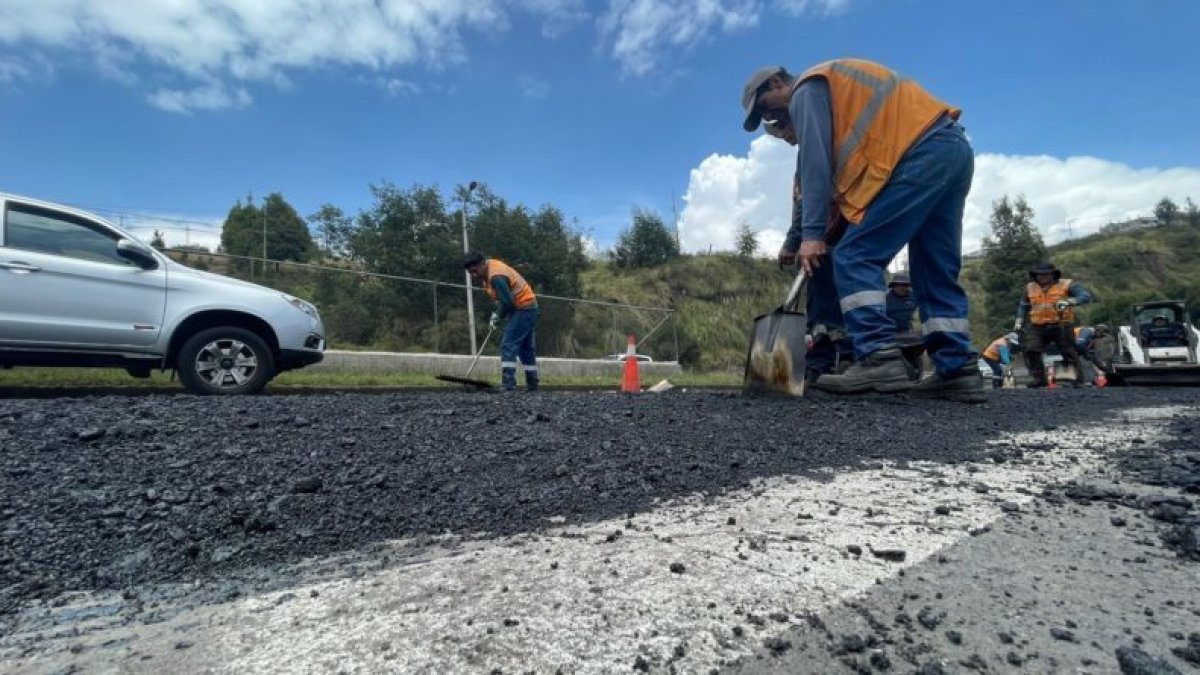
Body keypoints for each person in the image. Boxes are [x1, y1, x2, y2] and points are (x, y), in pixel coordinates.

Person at [741, 58, 983, 402]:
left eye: (766, 108)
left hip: (917, 153)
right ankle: (956, 369)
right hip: (951, 148)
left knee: (855, 256)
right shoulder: (838, 95)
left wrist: (811, 235)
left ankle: (877, 356)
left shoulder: (807, 90)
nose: (770, 118)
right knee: (934, 269)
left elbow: (814, 165)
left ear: (778, 83)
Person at [463, 251, 540, 392]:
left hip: (524, 307)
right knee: (526, 348)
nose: (474, 275)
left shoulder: (496, 275)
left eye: (475, 271)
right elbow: (504, 300)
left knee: (508, 344)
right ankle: (532, 384)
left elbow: (507, 302)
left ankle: (508, 384)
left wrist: (497, 316)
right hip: (526, 307)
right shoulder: (489, 272)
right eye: (470, 273)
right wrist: (498, 314)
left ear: (482, 264)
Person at [1013, 261, 1092, 388]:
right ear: (1035, 275)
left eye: (1046, 274)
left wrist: (1070, 301)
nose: (1042, 277)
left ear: (1053, 274)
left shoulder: (1066, 284)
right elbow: (1023, 306)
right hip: (1038, 326)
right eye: (1039, 275)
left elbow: (1085, 296)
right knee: (1031, 349)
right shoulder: (1030, 288)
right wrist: (1019, 320)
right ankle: (1039, 378)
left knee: (1068, 351)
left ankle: (1078, 380)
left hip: (1062, 324)